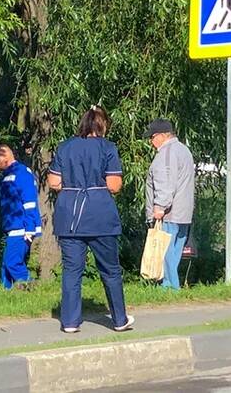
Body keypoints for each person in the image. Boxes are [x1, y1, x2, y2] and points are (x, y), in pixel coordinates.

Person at [48, 105, 134, 333]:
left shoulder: (65, 147)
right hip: (100, 215)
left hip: (69, 217)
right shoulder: (108, 148)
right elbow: (114, 185)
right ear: (103, 125)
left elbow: (54, 182)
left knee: (71, 270)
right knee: (110, 270)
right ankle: (119, 319)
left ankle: (70, 322)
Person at [143, 119, 196, 290]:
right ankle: (171, 286)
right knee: (174, 252)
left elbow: (165, 183)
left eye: (152, 137)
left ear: (161, 135)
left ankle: (170, 287)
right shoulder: (183, 150)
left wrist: (159, 207)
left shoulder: (166, 153)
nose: (151, 142)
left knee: (165, 251)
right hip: (184, 212)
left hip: (170, 213)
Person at [0, 144, 41, 289]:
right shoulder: (7, 175)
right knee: (6, 265)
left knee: (12, 262)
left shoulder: (21, 173)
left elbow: (29, 201)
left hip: (22, 227)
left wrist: (30, 227)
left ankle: (30, 286)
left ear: (5, 158)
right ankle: (6, 292)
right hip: (13, 226)